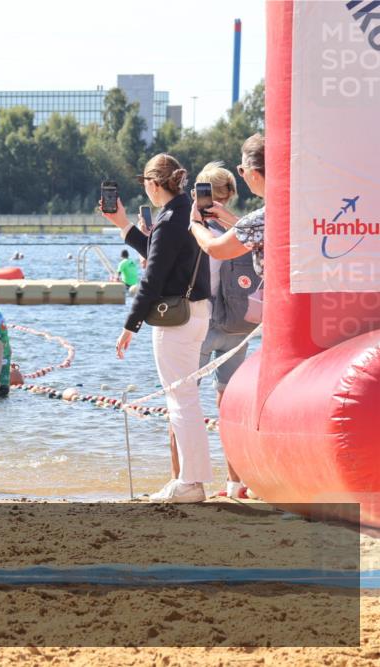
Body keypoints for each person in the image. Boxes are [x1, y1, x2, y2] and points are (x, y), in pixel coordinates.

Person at [100, 153, 213, 503]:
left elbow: (152, 277)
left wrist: (129, 326)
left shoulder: (169, 219)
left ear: (152, 183)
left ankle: (191, 483)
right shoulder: (185, 211)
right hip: (196, 313)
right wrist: (124, 225)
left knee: (181, 401)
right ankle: (191, 479)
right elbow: (160, 252)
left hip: (176, 319)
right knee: (186, 398)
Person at [171, 161, 260, 499]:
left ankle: (182, 481)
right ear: (232, 194)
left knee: (182, 403)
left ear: (197, 195)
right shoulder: (246, 229)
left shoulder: (193, 230)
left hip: (200, 327)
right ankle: (236, 483)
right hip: (239, 327)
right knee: (231, 409)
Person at [189, 134, 266, 279]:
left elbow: (214, 248)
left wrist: (195, 224)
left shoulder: (260, 220)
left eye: (242, 170)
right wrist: (228, 217)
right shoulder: (285, 210)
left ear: (255, 174)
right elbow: (252, 230)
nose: (242, 176)